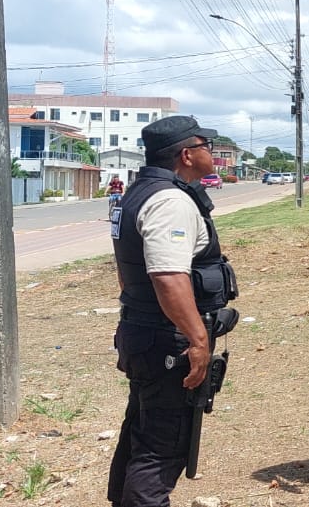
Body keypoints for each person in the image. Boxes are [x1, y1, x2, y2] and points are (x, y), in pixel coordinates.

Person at [107, 116, 238, 507]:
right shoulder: (170, 200)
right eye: (205, 146)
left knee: (142, 433)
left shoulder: (138, 193)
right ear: (186, 154)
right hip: (168, 340)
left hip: (145, 332)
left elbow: (128, 274)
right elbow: (168, 278)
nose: (210, 153)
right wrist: (198, 340)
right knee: (164, 446)